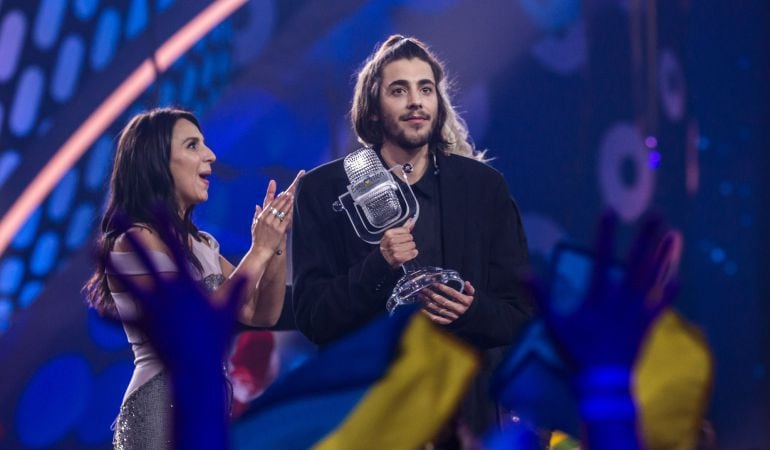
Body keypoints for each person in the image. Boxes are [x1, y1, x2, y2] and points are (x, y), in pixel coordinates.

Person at [291, 35, 534, 443]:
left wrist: (471, 310)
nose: (415, 102)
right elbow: (315, 319)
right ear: (372, 109)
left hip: (464, 418)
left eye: (426, 89)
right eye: (398, 90)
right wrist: (378, 266)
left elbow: (521, 315)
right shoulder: (324, 189)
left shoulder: (483, 187)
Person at [83, 107, 302, 449]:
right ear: (156, 162)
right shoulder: (135, 240)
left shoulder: (203, 245)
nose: (210, 155)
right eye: (192, 145)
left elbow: (262, 312)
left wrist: (275, 244)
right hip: (160, 413)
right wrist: (258, 250)